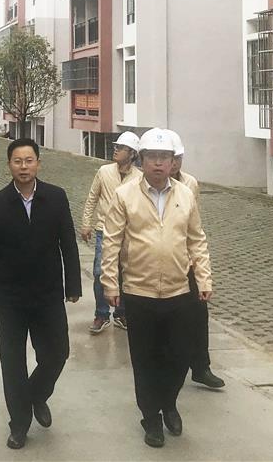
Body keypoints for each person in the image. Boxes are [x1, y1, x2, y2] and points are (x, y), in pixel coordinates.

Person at [101, 128, 212, 448]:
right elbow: (112, 242)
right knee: (145, 359)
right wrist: (110, 283)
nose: (159, 163)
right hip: (139, 291)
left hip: (178, 290)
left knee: (179, 355)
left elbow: (196, 240)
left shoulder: (185, 195)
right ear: (142, 160)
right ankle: (151, 417)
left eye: (165, 157)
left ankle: (169, 403)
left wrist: (204, 278)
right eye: (152, 157)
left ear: (173, 161)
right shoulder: (125, 195)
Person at [0, 138, 81, 450]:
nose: (24, 167)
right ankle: (19, 424)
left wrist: (73, 284)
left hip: (48, 294)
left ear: (38, 163)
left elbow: (68, 243)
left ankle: (36, 395)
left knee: (57, 353)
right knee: (13, 362)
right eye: (18, 161)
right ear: (10, 165)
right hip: (10, 298)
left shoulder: (56, 197)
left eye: (29, 160)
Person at [166, 130, 224, 389]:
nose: (174, 163)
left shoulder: (190, 184)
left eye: (178, 158)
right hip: (155, 263)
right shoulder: (137, 187)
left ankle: (201, 367)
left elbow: (195, 228)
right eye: (171, 157)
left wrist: (203, 275)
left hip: (186, 260)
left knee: (198, 314)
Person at [81, 131, 141, 334]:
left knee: (124, 272)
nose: (115, 150)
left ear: (132, 153)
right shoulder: (104, 171)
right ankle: (101, 314)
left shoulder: (139, 178)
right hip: (104, 230)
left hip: (129, 233)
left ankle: (121, 313)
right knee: (100, 272)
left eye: (120, 148)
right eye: (116, 147)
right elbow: (92, 198)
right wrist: (86, 223)